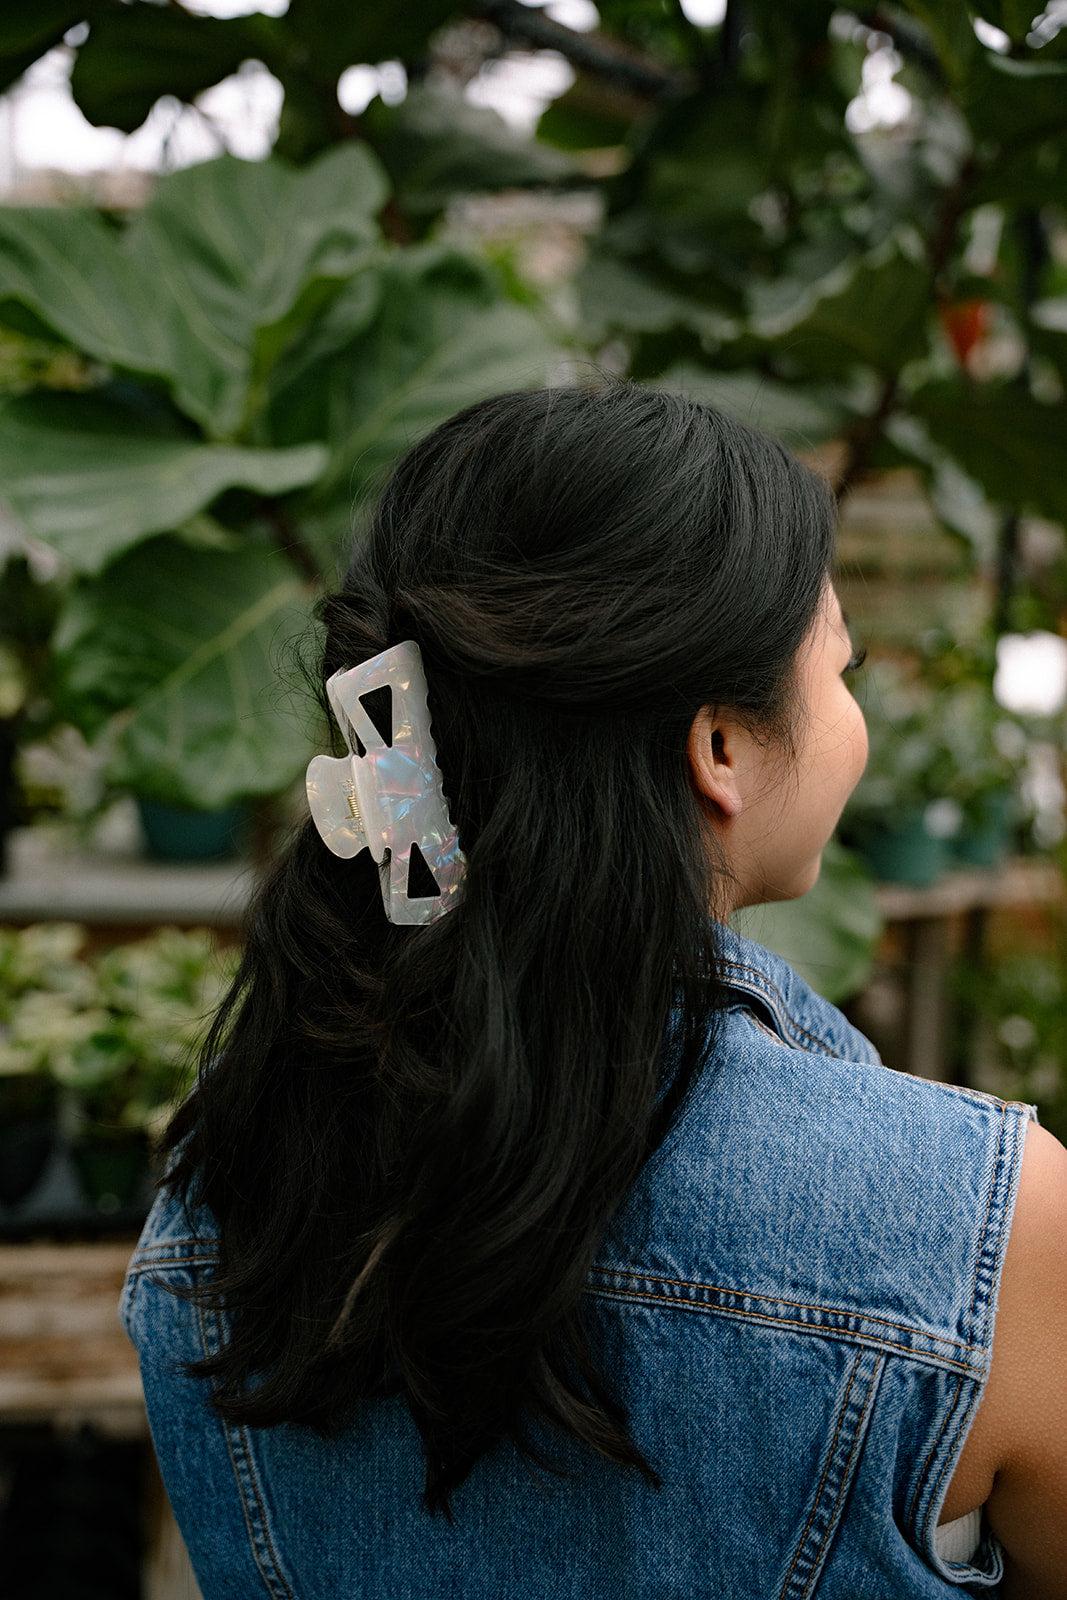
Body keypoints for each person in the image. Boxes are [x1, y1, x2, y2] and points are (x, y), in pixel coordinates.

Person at [122, 385, 1067, 1598]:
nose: (853, 711)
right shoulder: (987, 1227)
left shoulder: (229, 1193)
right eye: (843, 666)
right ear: (717, 748)